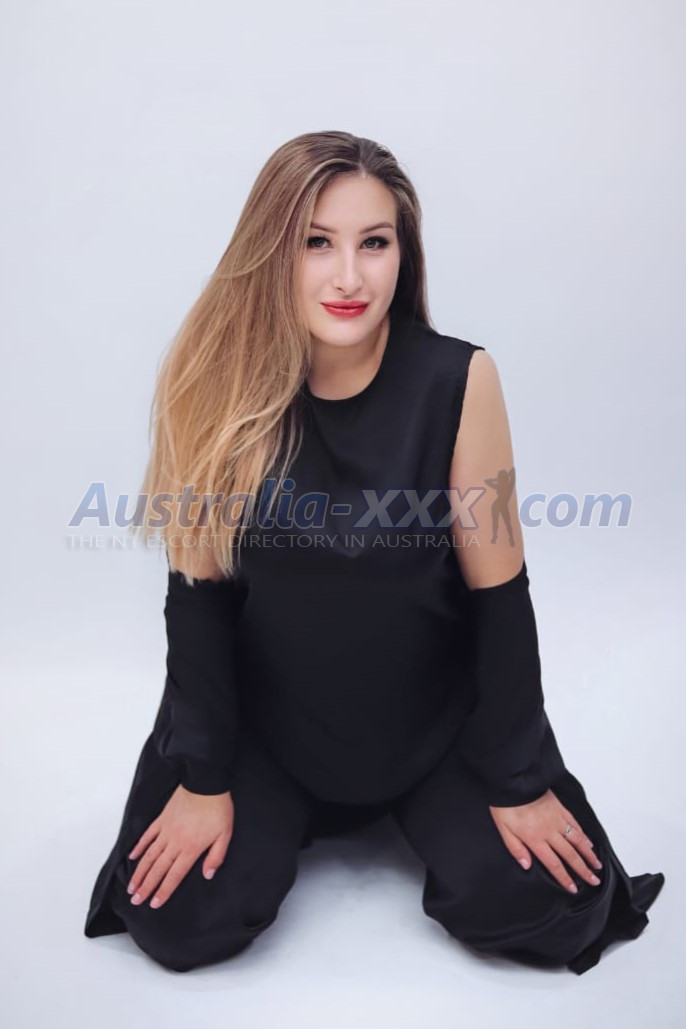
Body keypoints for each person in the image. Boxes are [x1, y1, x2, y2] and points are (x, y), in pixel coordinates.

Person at [83, 130, 664, 975]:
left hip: (432, 730)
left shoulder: (459, 382)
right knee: (180, 919)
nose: (349, 277)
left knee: (552, 905)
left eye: (375, 242)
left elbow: (501, 596)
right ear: (272, 252)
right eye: (317, 243)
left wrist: (520, 779)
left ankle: (433, 813)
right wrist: (204, 779)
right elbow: (198, 601)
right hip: (265, 732)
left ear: (404, 253)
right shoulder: (212, 382)